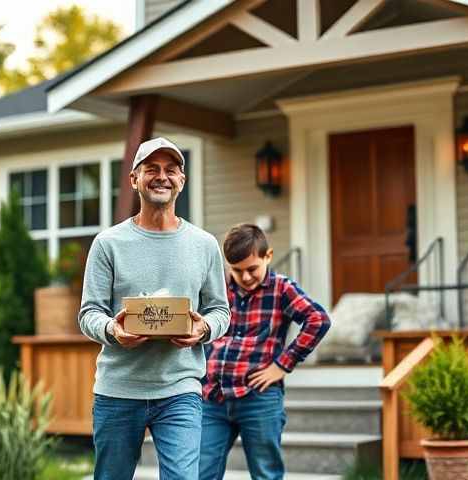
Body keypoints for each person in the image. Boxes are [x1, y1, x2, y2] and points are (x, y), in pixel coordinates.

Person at [79, 137, 231, 480]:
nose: (162, 177)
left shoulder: (204, 245)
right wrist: (112, 331)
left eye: (171, 170)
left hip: (180, 389)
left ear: (182, 180)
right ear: (134, 179)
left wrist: (203, 329)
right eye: (151, 169)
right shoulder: (108, 243)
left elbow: (221, 311)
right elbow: (89, 313)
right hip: (118, 390)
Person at [200, 224, 331, 480]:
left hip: (259, 398)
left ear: (267, 256)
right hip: (212, 398)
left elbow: (318, 320)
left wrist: (282, 365)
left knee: (266, 474)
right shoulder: (218, 289)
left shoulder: (281, 289)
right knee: (198, 473)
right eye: (237, 271)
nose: (246, 277)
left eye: (252, 269)